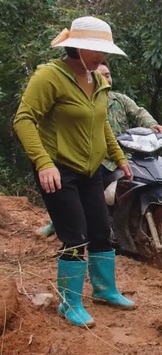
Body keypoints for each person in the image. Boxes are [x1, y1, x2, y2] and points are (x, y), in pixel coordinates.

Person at [13, 16, 136, 328]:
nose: (104, 58)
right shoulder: (50, 77)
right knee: (75, 234)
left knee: (99, 229)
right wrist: (43, 162)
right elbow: (24, 119)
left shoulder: (98, 80)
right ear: (78, 46)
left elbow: (102, 123)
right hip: (59, 169)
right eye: (98, 51)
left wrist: (119, 157)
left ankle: (105, 290)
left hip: (91, 169)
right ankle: (70, 303)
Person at [35, 63, 162, 237]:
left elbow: (139, 112)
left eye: (108, 74)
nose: (106, 78)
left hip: (123, 155)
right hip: (96, 159)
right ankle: (57, 223)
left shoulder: (120, 100)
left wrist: (152, 125)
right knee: (78, 194)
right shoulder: (82, 102)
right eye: (101, 75)